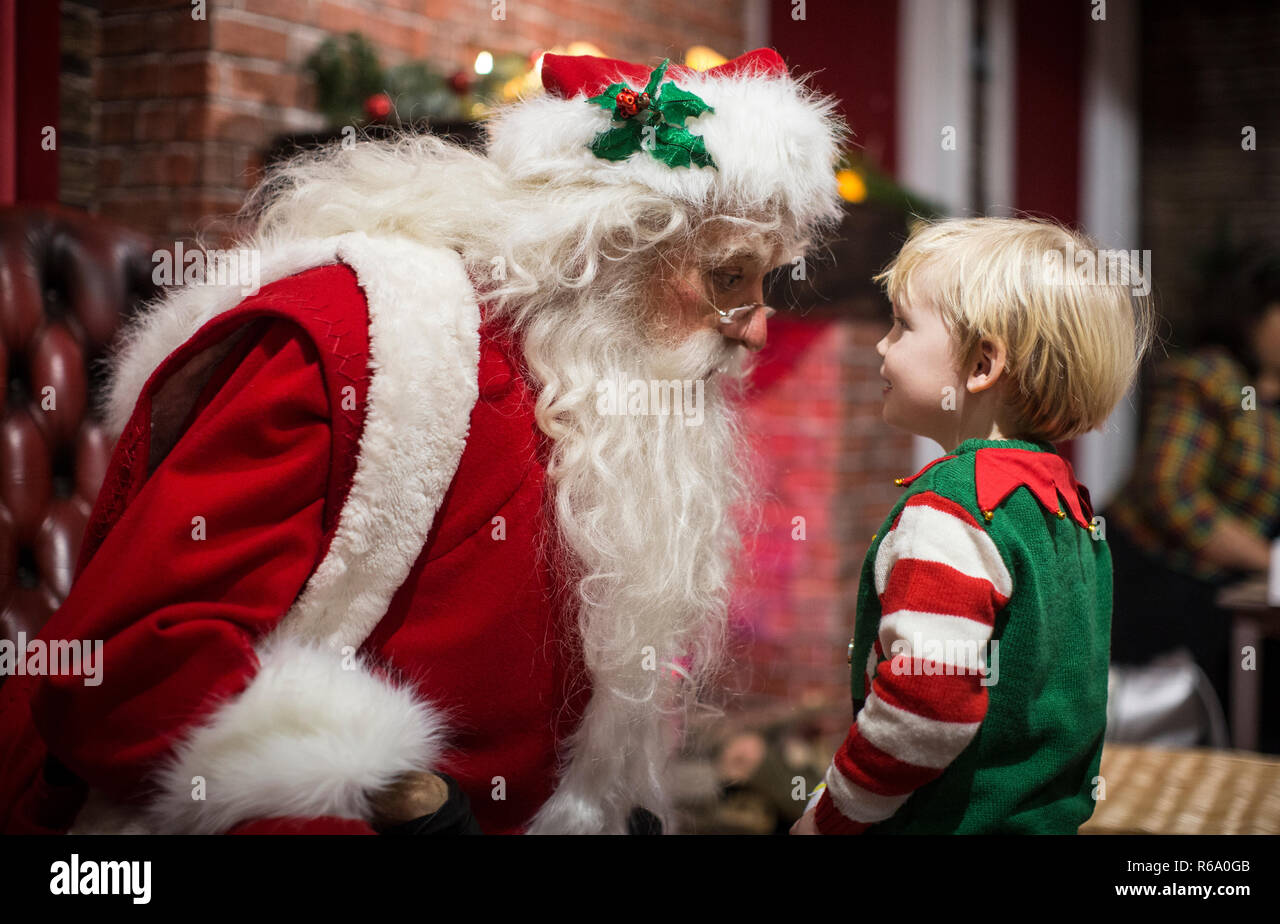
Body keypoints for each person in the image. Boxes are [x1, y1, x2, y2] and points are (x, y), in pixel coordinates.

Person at [0, 48, 848, 834]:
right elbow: (134, 674)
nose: (758, 332)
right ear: (607, 250)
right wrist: (396, 801)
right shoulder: (362, 343)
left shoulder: (607, 407)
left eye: (765, 282)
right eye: (730, 277)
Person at [792, 217, 1154, 834]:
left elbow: (923, 708)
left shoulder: (953, 508)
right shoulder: (1066, 506)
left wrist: (832, 816)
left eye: (902, 325)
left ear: (982, 364)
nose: (881, 346)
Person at [1105, 247, 1280, 754]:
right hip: (1164, 587)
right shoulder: (1208, 380)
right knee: (1193, 740)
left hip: (1250, 600)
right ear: (1252, 317)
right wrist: (1274, 563)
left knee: (1270, 733)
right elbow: (1171, 492)